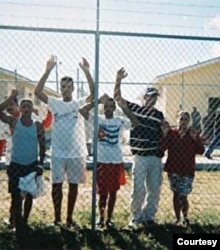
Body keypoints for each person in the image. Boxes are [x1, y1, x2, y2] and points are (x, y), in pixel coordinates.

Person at [34, 55, 95, 229]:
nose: (65, 89)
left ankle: (69, 218)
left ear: (74, 88)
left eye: (69, 86)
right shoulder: (55, 103)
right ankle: (57, 219)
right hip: (58, 153)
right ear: (60, 88)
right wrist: (47, 70)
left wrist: (87, 71)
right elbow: (38, 92)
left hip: (77, 153)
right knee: (57, 186)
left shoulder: (78, 103)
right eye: (63, 86)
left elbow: (94, 93)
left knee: (73, 186)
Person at [80, 68, 139, 229]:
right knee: (102, 192)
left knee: (113, 192)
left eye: (111, 106)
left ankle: (109, 218)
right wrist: (98, 101)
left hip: (115, 161)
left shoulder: (119, 121)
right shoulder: (97, 119)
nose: (108, 108)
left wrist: (124, 107)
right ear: (103, 107)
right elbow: (83, 110)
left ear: (114, 108)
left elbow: (135, 123)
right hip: (101, 161)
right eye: (106, 105)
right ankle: (101, 216)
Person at [114, 73, 165, 229]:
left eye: (155, 97)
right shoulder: (135, 109)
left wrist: (165, 131)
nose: (153, 99)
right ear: (144, 97)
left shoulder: (159, 115)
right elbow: (118, 98)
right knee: (138, 189)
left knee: (154, 188)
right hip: (140, 157)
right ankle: (135, 217)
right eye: (150, 97)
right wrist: (118, 80)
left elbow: (162, 134)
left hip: (155, 157)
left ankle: (149, 217)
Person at [0, 89, 45, 239]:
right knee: (16, 196)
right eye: (23, 106)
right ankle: (17, 224)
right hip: (15, 164)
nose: (26, 109)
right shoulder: (14, 122)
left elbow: (43, 146)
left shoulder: (38, 126)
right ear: (19, 109)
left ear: (33, 109)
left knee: (29, 194)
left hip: (31, 165)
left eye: (29, 106)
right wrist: (12, 97)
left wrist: (40, 163)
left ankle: (25, 222)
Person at [160, 111, 205, 226]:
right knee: (176, 194)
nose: (183, 122)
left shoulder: (191, 134)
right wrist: (165, 135)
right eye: (181, 119)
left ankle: (185, 217)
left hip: (187, 170)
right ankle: (177, 218)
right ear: (176, 120)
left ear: (189, 122)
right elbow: (162, 148)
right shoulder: (172, 133)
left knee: (183, 195)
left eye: (185, 119)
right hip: (173, 169)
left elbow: (201, 150)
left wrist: (195, 139)